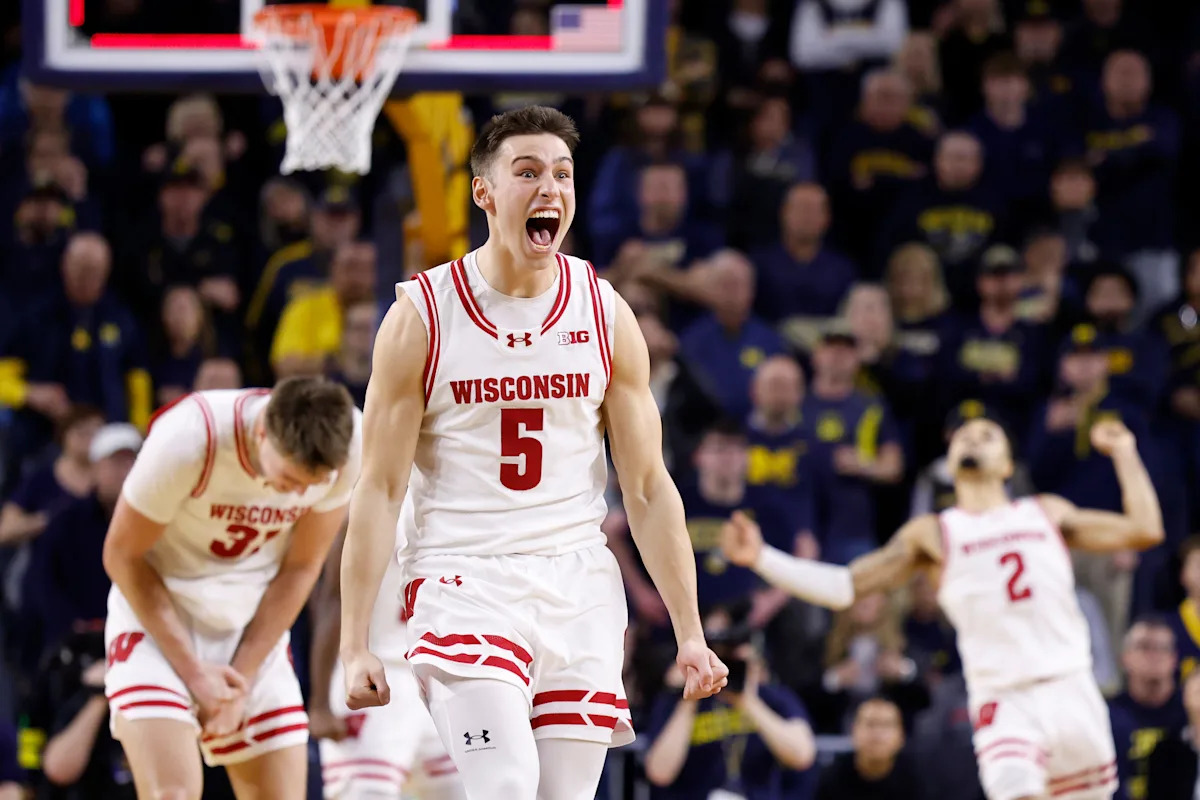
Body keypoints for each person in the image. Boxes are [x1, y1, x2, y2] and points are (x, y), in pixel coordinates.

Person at [338, 105, 728, 800]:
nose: (549, 187)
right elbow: (379, 487)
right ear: (484, 193)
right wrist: (354, 641)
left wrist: (689, 632)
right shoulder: (422, 316)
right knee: (507, 785)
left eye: (562, 174)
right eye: (527, 172)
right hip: (464, 577)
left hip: (577, 582)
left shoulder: (605, 312)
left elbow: (646, 486)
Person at [723, 415, 1164, 800]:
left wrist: (1125, 453)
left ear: (1008, 465)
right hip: (1004, 697)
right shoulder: (934, 533)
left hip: (1072, 686)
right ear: (949, 464)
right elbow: (844, 587)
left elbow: (1144, 529)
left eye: (987, 435)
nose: (973, 438)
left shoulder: (1046, 512)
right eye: (964, 436)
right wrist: (763, 557)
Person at [100, 377, 362, 800]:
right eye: (289, 478)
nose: (299, 493)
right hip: (160, 620)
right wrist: (195, 674)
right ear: (261, 434)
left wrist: (241, 676)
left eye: (312, 484)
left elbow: (302, 566)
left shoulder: (350, 442)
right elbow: (121, 555)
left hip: (250, 624)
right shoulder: (191, 437)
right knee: (173, 794)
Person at [310, 531, 463, 800]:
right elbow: (334, 600)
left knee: (467, 790)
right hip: (376, 675)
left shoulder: (464, 518)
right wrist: (319, 702)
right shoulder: (362, 513)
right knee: (368, 792)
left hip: (442, 677)